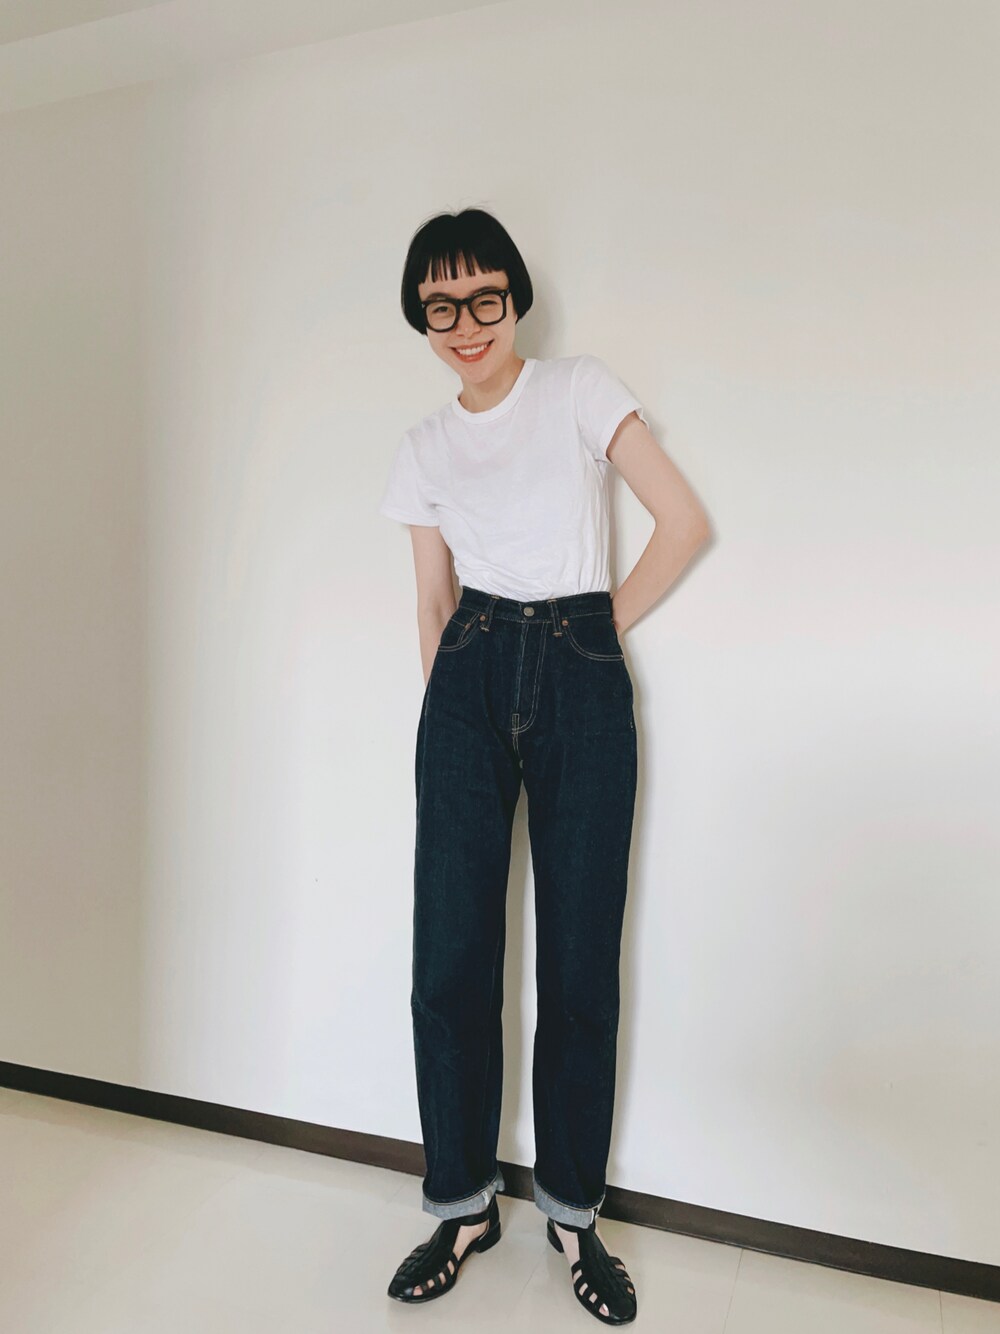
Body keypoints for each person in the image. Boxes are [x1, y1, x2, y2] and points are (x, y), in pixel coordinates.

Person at [379, 207, 710, 1324]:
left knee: (578, 963)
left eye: (484, 297)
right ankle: (463, 1204)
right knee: (450, 958)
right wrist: (449, 709)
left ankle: (572, 1213)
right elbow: (431, 601)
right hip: (466, 681)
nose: (465, 323)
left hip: (579, 673)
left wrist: (592, 632)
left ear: (515, 298)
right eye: (440, 306)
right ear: (422, 320)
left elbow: (680, 520)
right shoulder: (423, 447)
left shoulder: (576, 389)